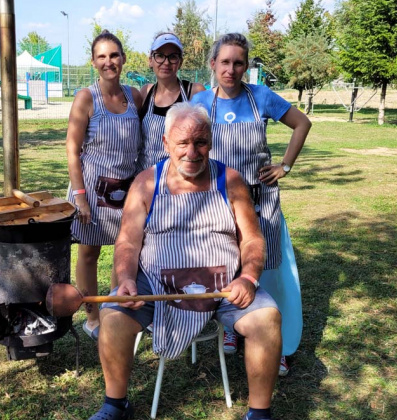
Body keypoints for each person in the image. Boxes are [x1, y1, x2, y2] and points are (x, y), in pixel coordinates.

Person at [89, 103, 282, 420]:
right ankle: (115, 405)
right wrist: (125, 279)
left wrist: (248, 277)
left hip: (225, 288)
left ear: (211, 141)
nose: (192, 152)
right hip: (156, 284)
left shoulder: (230, 180)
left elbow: (251, 239)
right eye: (183, 143)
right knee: (112, 316)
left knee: (267, 318)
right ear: (166, 143)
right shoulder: (146, 183)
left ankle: (259, 414)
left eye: (200, 142)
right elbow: (127, 242)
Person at [191, 33, 311, 375]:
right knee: (229, 268)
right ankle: (232, 327)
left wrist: (284, 165)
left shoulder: (261, 96)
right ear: (213, 64)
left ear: (246, 66)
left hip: (261, 203)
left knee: (270, 272)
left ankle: (280, 345)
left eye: (238, 63)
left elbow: (302, 123)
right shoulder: (201, 101)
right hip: (218, 205)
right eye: (224, 62)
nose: (231, 69)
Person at [66, 30, 143, 340]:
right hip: (91, 192)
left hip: (126, 192)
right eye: (102, 56)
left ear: (123, 58)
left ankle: (113, 313)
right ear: (93, 62)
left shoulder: (134, 96)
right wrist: (80, 197)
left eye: (114, 55)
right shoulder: (86, 98)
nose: (108, 61)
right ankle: (92, 317)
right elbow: (72, 149)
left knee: (122, 253)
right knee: (89, 254)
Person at [137, 32, 205, 171]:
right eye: (160, 55)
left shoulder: (194, 92)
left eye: (173, 56)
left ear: (180, 62)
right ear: (151, 60)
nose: (166, 62)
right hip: (146, 178)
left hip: (180, 178)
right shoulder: (145, 92)